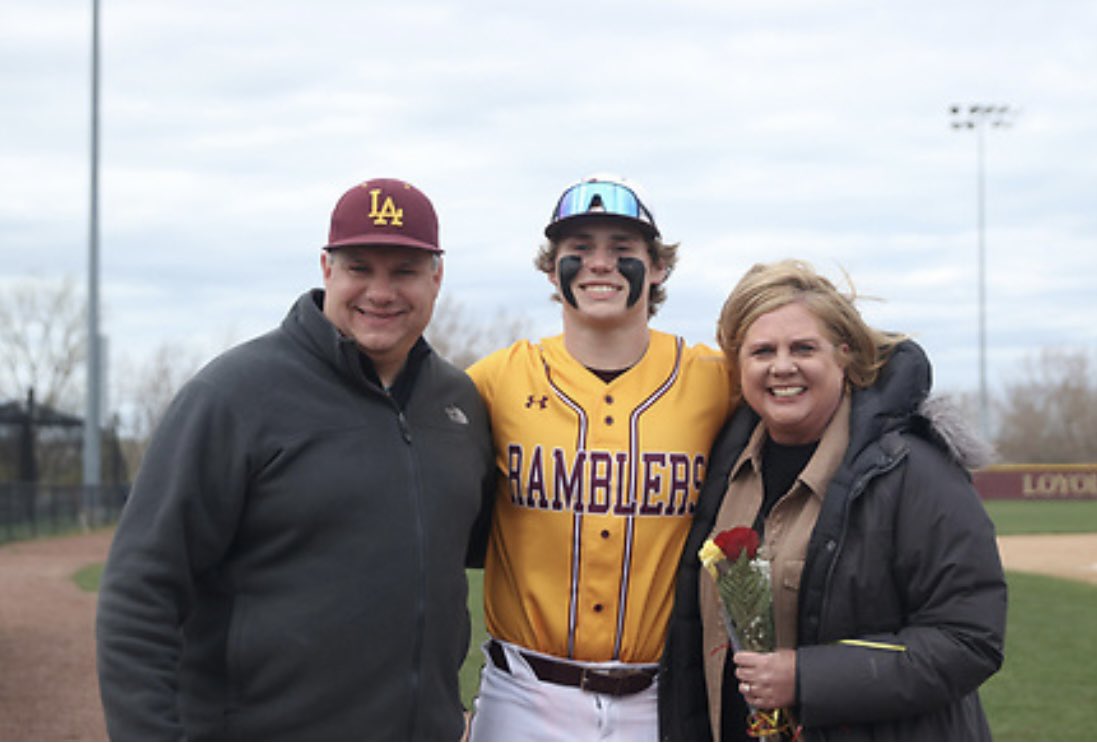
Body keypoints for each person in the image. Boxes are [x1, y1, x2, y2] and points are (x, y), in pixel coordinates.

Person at [95, 178, 495, 741]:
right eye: (360, 268)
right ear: (327, 269)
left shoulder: (457, 404)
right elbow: (141, 589)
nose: (380, 291)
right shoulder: (234, 394)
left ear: (437, 276)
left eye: (403, 270)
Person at [659, 259, 1007, 740]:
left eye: (803, 347)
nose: (782, 366)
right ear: (739, 365)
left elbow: (968, 639)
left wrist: (804, 678)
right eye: (762, 351)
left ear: (843, 355)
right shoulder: (725, 466)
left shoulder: (914, 470)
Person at [465, 174, 732, 741]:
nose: (600, 265)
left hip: (661, 697)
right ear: (550, 269)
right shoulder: (494, 381)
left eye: (622, 251)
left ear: (658, 268)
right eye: (578, 250)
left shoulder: (716, 381)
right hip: (522, 694)